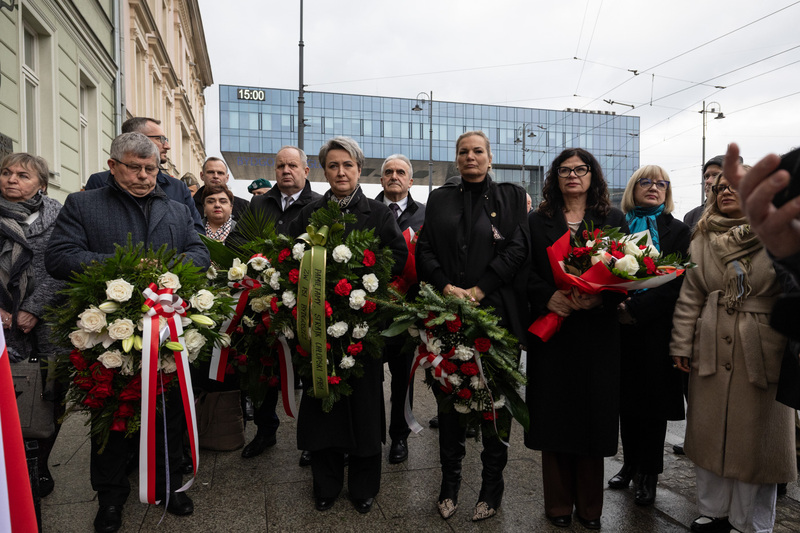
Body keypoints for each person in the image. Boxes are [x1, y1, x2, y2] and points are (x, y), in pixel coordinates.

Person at [46, 132, 209, 533]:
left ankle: (169, 486)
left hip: (165, 331)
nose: (143, 176)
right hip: (108, 334)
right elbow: (60, 257)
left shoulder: (176, 208)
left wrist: (170, 272)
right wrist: (125, 267)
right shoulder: (83, 204)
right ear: (113, 166)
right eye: (134, 168)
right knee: (113, 415)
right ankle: (110, 498)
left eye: (150, 169)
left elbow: (199, 251)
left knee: (168, 413)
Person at [670, 169, 796, 533]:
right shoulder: (701, 236)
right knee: (709, 435)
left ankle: (750, 522)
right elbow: (691, 295)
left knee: (756, 444)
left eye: (736, 187)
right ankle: (714, 511)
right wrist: (681, 342)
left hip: (762, 348)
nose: (725, 191)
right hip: (710, 345)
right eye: (721, 187)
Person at [287, 137, 407, 515]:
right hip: (318, 327)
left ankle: (363, 485)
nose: (341, 172)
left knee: (365, 407)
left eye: (348, 165)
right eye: (333, 165)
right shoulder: (309, 213)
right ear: (324, 171)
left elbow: (398, 256)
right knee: (322, 404)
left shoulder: (378, 213)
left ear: (359, 169)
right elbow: (291, 259)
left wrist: (363, 282)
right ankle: (325, 483)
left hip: (362, 329)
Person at [416, 131, 529, 522]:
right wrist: (446, 287)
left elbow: (518, 248)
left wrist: (481, 289)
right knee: (450, 401)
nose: (470, 157)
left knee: (495, 405)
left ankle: (491, 487)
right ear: (456, 158)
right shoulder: (440, 199)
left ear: (490, 158)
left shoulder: (511, 197)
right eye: (463, 151)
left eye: (478, 151)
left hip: (496, 316)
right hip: (449, 315)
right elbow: (425, 248)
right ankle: (449, 484)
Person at [526, 147, 627, 530]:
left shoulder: (612, 219)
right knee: (554, 417)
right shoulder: (537, 221)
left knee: (592, 418)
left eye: (580, 169)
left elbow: (630, 271)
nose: (572, 175)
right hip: (553, 332)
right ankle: (557, 506)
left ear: (592, 175)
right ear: (555, 177)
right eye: (565, 170)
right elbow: (525, 272)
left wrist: (600, 298)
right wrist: (547, 296)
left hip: (596, 335)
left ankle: (589, 508)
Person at [228, 146, 321, 461]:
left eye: (292, 165)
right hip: (262, 300)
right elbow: (237, 241)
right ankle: (265, 431)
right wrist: (255, 262)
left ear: (305, 171)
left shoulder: (318, 204)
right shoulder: (259, 204)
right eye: (280, 166)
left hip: (303, 301)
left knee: (307, 370)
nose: (286, 171)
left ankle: (311, 441)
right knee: (263, 367)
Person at [611, 165, 690, 506]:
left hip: (658, 329)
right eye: (646, 182)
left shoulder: (679, 230)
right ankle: (629, 464)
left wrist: (636, 309)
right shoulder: (617, 226)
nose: (653, 187)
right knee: (627, 403)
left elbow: (678, 282)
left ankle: (649, 473)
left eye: (661, 183)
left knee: (654, 406)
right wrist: (619, 305)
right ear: (634, 187)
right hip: (620, 328)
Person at [0, 153, 65, 498]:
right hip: (2, 323)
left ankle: (40, 465)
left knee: (50, 394)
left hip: (49, 322)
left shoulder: (60, 217)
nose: (11, 179)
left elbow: (64, 267)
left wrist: (32, 308)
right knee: (8, 395)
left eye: (22, 175)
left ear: (41, 184)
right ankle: (11, 465)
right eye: (6, 173)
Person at [375, 154, 425, 465]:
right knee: (369, 378)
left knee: (403, 378)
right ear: (381, 179)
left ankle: (399, 437)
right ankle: (370, 434)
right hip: (371, 311)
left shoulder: (426, 215)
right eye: (389, 172)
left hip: (408, 313)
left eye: (401, 172)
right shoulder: (369, 211)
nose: (395, 176)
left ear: (410, 181)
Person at [84, 117, 202, 232]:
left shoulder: (178, 188)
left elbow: (196, 234)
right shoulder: (100, 182)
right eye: (160, 139)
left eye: (150, 169)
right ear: (137, 138)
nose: (167, 146)